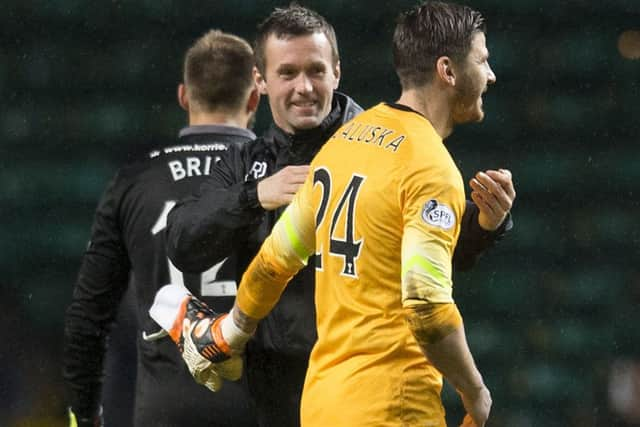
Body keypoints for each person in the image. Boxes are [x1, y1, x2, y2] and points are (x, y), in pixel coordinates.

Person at [165, 4, 514, 426]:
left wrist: (227, 333)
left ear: (337, 72)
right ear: (447, 70)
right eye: (483, 60)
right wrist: (474, 389)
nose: (491, 74)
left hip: (323, 400)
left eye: (315, 70)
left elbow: (274, 262)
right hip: (387, 404)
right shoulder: (425, 164)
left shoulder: (342, 147)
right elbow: (425, 299)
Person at [62, 30, 260, 427]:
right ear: (255, 97)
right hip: (259, 408)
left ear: (184, 96)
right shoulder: (276, 176)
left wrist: (85, 414)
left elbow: (88, 316)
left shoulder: (136, 181)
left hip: (165, 411)